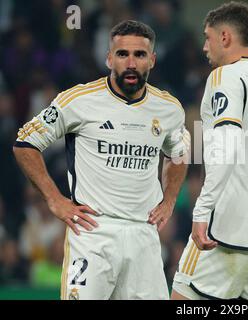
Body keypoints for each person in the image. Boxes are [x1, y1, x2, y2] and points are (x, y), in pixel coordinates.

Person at [13, 20, 189, 300]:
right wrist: (55, 200)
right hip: (93, 232)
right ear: (109, 58)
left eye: (140, 55)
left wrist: (169, 200)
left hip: (144, 234)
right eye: (122, 54)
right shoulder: (78, 100)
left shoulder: (168, 108)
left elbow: (179, 153)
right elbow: (25, 144)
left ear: (152, 60)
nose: (131, 63)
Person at [171, 1, 248, 300]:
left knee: (183, 298)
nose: (204, 47)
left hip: (228, 223)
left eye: (207, 37)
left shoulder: (225, 77)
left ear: (225, 37)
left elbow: (226, 144)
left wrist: (202, 209)